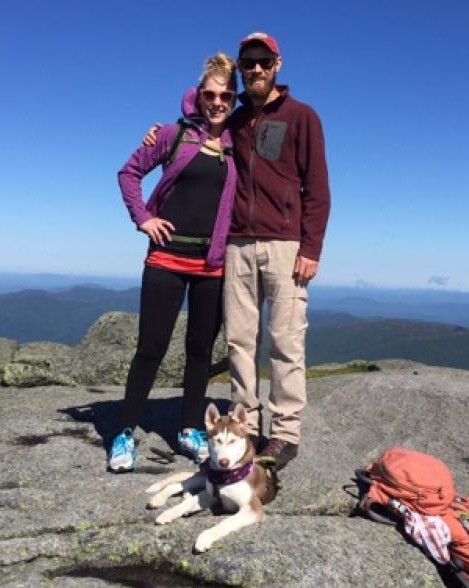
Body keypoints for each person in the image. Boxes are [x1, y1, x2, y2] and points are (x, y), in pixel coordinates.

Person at [108, 53, 239, 473]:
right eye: (210, 94)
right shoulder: (171, 135)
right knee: (151, 347)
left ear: (234, 98)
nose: (217, 101)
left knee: (200, 348)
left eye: (226, 95)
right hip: (166, 257)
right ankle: (124, 432)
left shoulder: (240, 143)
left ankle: (188, 429)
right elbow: (129, 173)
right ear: (198, 96)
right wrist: (143, 218)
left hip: (212, 263)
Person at [223, 32, 331, 470]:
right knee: (239, 340)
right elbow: (197, 110)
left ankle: (285, 433)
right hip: (237, 245)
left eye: (264, 62)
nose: (256, 70)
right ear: (239, 68)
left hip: (287, 246)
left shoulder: (302, 117)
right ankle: (244, 426)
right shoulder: (231, 122)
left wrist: (312, 247)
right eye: (248, 63)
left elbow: (318, 189)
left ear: (278, 64)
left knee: (286, 340)